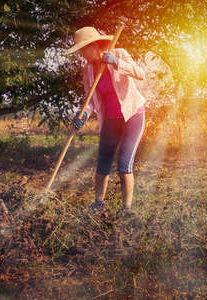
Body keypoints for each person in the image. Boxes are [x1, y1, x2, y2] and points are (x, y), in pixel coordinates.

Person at [65, 26, 146, 214]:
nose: (82, 55)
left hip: (132, 114)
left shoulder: (118, 53)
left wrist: (117, 63)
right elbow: (90, 100)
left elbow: (140, 73)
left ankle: (126, 209)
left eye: (83, 50)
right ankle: (98, 204)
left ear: (94, 46)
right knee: (103, 160)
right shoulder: (88, 70)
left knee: (124, 163)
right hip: (110, 118)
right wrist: (82, 115)